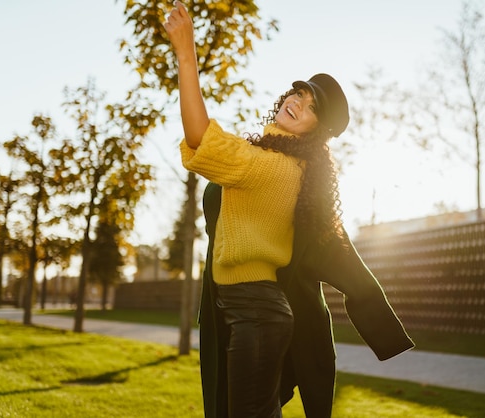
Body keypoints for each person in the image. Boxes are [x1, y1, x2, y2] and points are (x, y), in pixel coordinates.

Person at [164, 2, 414, 417]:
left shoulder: (275, 167)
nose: (299, 102)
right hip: (236, 310)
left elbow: (199, 137)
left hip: (255, 314)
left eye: (312, 107)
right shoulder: (271, 157)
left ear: (318, 131)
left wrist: (186, 52)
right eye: (300, 93)